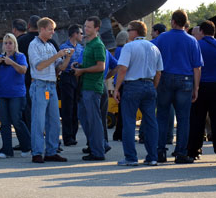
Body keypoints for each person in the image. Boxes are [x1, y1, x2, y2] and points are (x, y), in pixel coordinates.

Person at [154, 10, 203, 164]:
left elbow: (151, 52)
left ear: (173, 22)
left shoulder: (162, 38)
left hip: (165, 77)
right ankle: (181, 153)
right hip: (185, 80)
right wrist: (196, 88)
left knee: (162, 116)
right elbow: (197, 67)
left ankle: (160, 151)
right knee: (183, 118)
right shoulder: (192, 41)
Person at [113, 20, 163, 166]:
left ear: (135, 32)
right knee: (151, 122)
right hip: (149, 84)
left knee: (129, 122)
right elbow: (159, 72)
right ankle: (152, 156)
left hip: (132, 86)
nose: (127, 33)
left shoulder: (129, 47)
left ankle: (131, 157)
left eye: (129, 30)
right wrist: (153, 86)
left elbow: (122, 68)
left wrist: (116, 88)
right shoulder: (154, 47)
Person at [29, 17, 72, 163]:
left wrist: (67, 58)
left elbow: (60, 67)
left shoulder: (50, 46)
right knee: (38, 121)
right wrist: (58, 55)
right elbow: (39, 66)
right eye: (50, 29)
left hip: (51, 86)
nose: (53, 32)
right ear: (41, 29)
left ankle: (51, 151)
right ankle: (37, 152)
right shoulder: (33, 45)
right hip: (40, 85)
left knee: (54, 121)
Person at [188, 20, 216, 161]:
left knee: (197, 120)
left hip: (200, 87)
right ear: (214, 32)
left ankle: (194, 151)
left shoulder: (196, 46)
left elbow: (192, 66)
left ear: (201, 31)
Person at [72, 16, 107, 161]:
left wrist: (83, 71)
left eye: (89, 27)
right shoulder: (89, 44)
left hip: (92, 88)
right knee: (85, 119)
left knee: (94, 120)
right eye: (85, 26)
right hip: (84, 87)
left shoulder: (98, 45)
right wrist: (80, 67)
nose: (86, 29)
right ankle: (97, 146)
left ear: (96, 29)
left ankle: (98, 151)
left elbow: (101, 66)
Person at [0, 33, 31, 158]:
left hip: (16, 94)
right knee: (4, 122)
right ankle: (6, 149)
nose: (8, 45)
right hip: (2, 93)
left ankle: (27, 145)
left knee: (16, 120)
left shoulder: (20, 56)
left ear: (15, 44)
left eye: (10, 43)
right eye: (6, 43)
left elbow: (23, 70)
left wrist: (11, 63)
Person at [58, 24, 83, 146]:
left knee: (75, 108)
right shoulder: (64, 47)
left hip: (77, 77)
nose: (82, 35)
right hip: (67, 76)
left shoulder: (80, 48)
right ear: (75, 34)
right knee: (67, 108)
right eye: (80, 33)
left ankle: (73, 134)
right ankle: (67, 136)